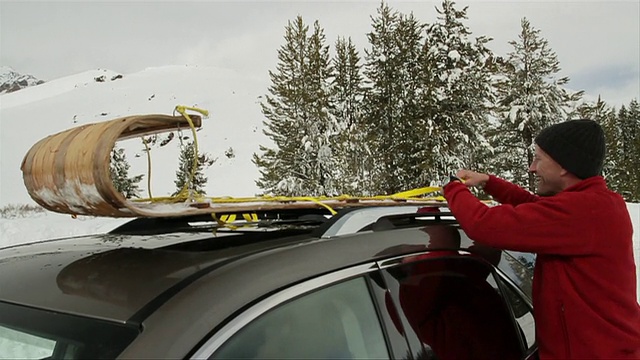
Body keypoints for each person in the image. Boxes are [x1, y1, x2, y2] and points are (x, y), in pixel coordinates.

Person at [442, 119, 640, 359]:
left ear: (564, 165)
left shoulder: (582, 211)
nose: (532, 168)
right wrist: (489, 183)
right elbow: (537, 207)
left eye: (539, 159)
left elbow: (483, 225)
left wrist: (452, 188)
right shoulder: (595, 204)